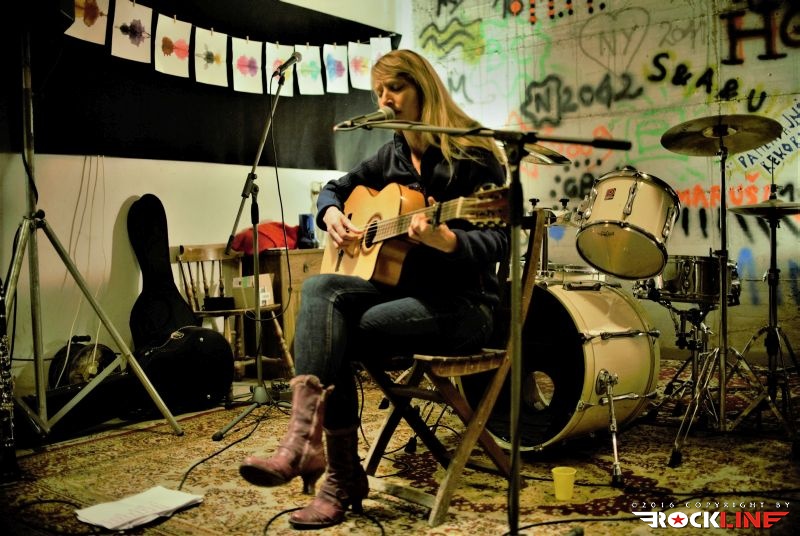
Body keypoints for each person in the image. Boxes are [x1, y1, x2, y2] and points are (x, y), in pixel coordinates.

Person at [238, 49, 509, 529]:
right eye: (379, 91)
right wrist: (330, 213)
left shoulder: (474, 153)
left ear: (424, 88)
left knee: (333, 333)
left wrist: (448, 241)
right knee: (320, 288)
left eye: (395, 88)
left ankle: (336, 474)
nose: (385, 100)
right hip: (404, 295)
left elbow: (499, 238)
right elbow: (335, 188)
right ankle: (307, 446)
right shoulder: (392, 154)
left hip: (465, 307)